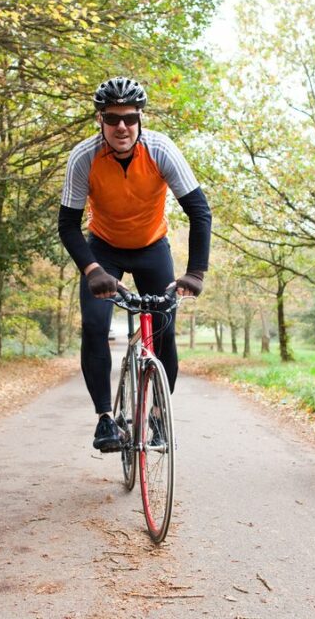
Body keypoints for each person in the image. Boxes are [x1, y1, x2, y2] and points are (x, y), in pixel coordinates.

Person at [58, 76, 212, 451]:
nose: (121, 127)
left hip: (151, 246)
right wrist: (92, 270)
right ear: (100, 120)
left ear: (141, 117)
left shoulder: (161, 149)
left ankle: (158, 415)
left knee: (164, 331)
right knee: (95, 326)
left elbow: (199, 211)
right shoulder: (84, 157)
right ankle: (105, 419)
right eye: (112, 119)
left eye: (129, 117)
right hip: (104, 248)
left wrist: (195, 272)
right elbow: (67, 224)